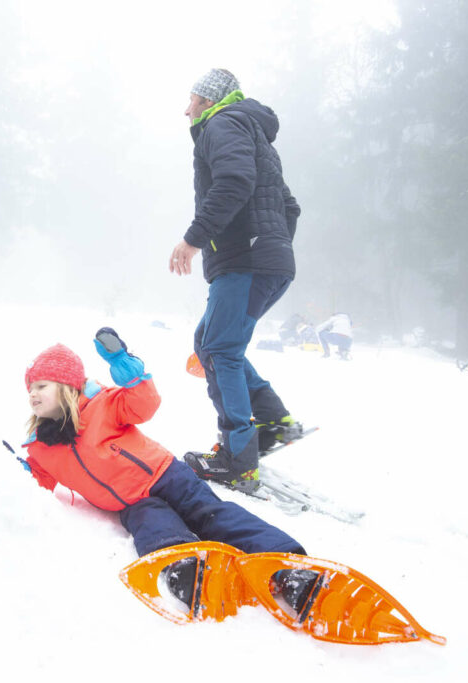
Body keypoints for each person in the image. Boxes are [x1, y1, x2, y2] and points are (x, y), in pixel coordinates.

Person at [20, 329, 315, 607]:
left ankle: (286, 564)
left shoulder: (102, 404)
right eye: (30, 388)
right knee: (153, 528)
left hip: (167, 475)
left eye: (42, 386)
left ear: (68, 387)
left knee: (211, 515)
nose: (33, 393)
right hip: (135, 502)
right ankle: (186, 571)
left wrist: (126, 368)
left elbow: (144, 404)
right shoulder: (40, 448)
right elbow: (32, 482)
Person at [168, 68, 301, 494]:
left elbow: (233, 182)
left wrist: (194, 239)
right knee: (211, 342)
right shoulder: (252, 133)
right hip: (263, 261)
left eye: (190, 99)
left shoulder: (221, 124)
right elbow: (290, 206)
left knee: (220, 349)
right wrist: (272, 247)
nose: (185, 108)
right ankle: (274, 421)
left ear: (207, 101)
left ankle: (237, 459)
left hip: (245, 261)